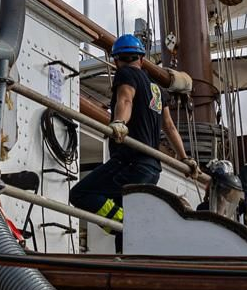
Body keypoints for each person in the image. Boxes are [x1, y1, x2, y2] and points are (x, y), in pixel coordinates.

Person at [69, 34, 199, 232]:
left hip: (130, 162)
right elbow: (169, 126)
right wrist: (185, 157)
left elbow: (126, 99)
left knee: (81, 194)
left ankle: (127, 227)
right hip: (152, 169)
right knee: (122, 207)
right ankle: (126, 236)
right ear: (142, 59)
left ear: (116, 60)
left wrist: (120, 122)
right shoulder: (157, 89)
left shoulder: (125, 74)